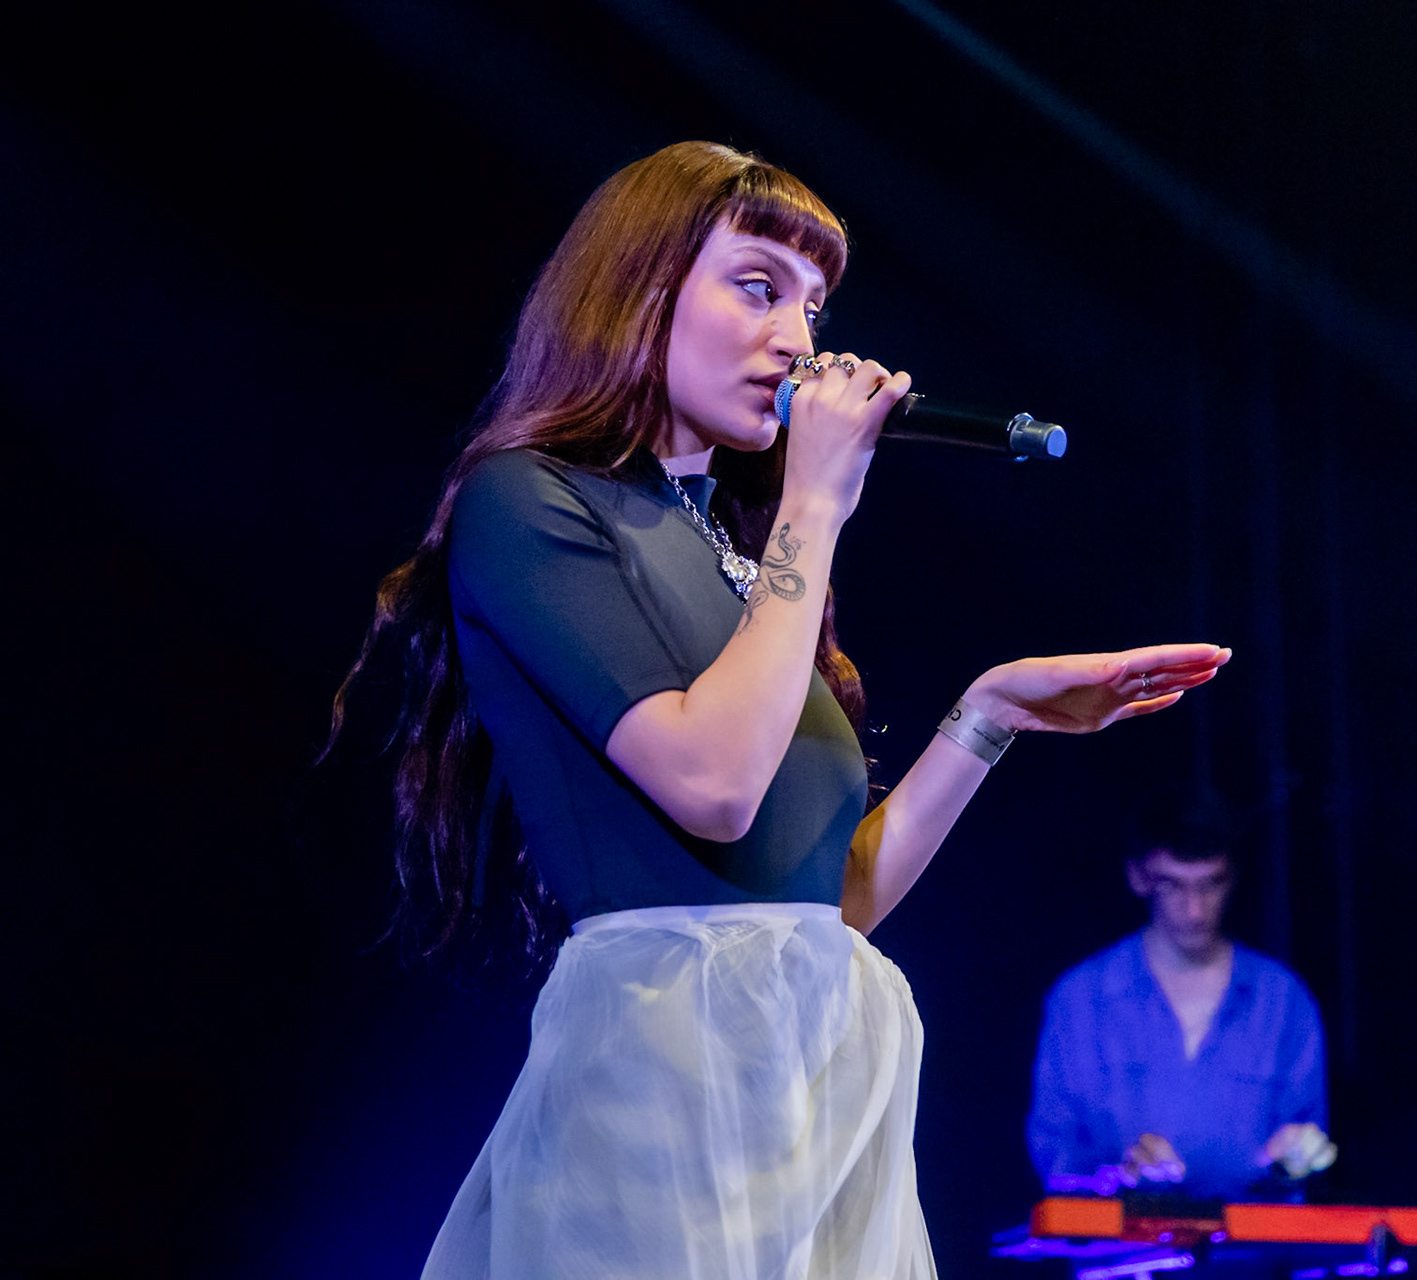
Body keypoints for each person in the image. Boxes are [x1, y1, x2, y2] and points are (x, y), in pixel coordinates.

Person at [329, 141, 1230, 1279]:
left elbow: (827, 900)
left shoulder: (738, 551)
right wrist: (814, 503)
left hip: (811, 1080)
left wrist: (990, 711)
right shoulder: (530, 500)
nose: (799, 339)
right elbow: (712, 785)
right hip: (664, 1067)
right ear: (641, 286)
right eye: (759, 287)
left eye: (812, 306)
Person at [1028, 812, 1333, 1203]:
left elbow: (1305, 1154)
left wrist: (1291, 1163)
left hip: (1249, 1238)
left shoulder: (1283, 1000)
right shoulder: (1081, 1000)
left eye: (1211, 884)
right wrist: (1120, 1175)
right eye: (1173, 885)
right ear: (1139, 878)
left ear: (1232, 878)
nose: (1195, 910)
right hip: (1119, 1240)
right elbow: (1055, 1158)